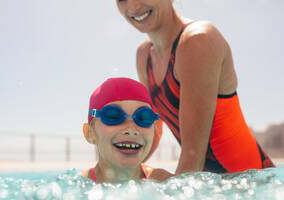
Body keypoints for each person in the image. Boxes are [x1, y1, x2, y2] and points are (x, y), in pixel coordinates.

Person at [115, 0, 275, 177]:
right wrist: (117, 174)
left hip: (253, 185)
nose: (134, 6)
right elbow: (151, 132)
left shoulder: (198, 40)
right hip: (213, 187)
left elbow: (193, 156)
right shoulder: (144, 56)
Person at [81, 77, 172, 183]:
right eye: (113, 116)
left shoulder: (165, 184)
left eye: (144, 117)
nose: (131, 129)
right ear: (90, 133)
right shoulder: (76, 189)